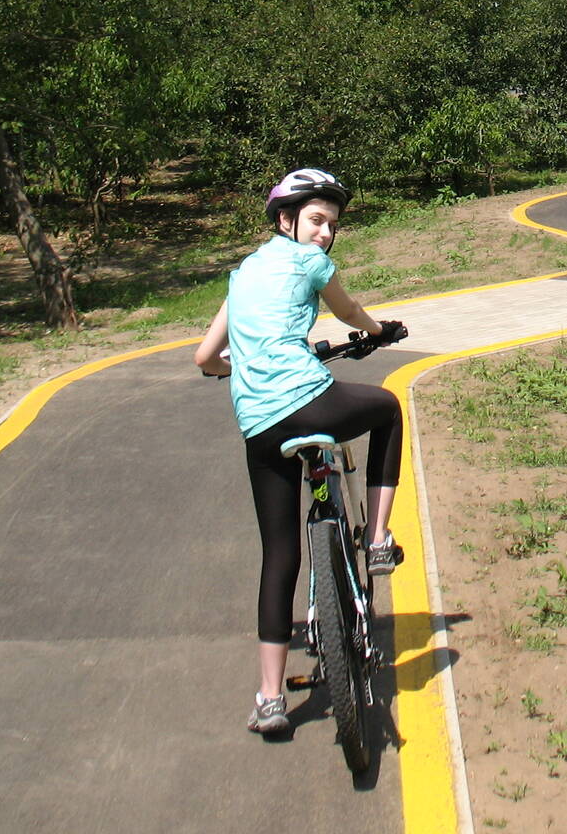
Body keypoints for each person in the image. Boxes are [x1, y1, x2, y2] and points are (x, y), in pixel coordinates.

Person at [193, 167, 407, 737]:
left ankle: (270, 698)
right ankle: (378, 539)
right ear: (285, 219)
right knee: (387, 408)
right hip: (307, 403)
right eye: (316, 220)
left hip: (258, 427)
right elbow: (349, 312)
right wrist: (380, 331)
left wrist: (241, 367)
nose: (324, 233)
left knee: (279, 554)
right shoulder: (311, 263)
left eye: (331, 225)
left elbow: (205, 359)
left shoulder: (241, 276)